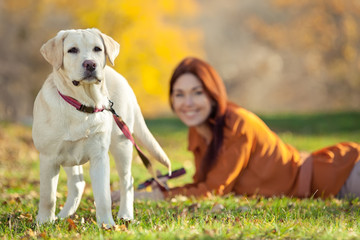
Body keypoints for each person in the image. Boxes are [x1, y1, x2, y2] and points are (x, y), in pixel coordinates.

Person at [112, 57, 360, 202]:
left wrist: (149, 197)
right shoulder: (198, 131)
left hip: (342, 174)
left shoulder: (237, 124)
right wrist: (144, 190)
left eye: (197, 93)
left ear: (213, 94)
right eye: (179, 94)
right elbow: (203, 183)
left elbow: (213, 190)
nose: (187, 103)